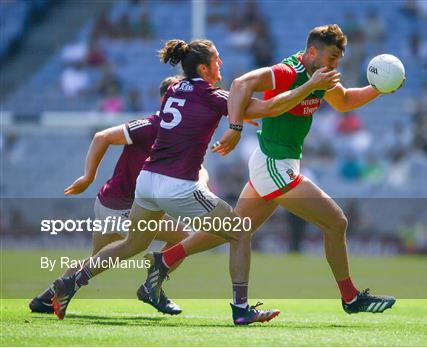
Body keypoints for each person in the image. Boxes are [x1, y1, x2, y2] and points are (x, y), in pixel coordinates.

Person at [51, 38, 340, 323]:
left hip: (148, 181)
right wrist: (309, 86)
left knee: (132, 244)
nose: (221, 63)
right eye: (216, 59)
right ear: (204, 69)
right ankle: (241, 309)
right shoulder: (213, 97)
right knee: (240, 232)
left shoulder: (175, 88)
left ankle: (71, 282)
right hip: (178, 186)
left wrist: (236, 112)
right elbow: (270, 108)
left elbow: (212, 108)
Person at [150, 24, 397, 318]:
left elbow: (343, 101)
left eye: (338, 60)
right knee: (336, 222)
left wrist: (379, 88)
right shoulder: (288, 72)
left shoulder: (320, 74)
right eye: (332, 58)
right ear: (313, 52)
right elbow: (241, 83)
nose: (335, 66)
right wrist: (236, 127)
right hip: (273, 164)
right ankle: (350, 297)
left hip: (276, 162)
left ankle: (164, 261)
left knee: (234, 231)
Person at [30, 76, 199, 316]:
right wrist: (87, 176)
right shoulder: (151, 125)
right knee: (183, 237)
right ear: (165, 100)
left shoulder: (180, 134)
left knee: (96, 260)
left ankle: (45, 299)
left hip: (111, 201)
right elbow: (102, 137)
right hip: (121, 205)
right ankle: (153, 288)